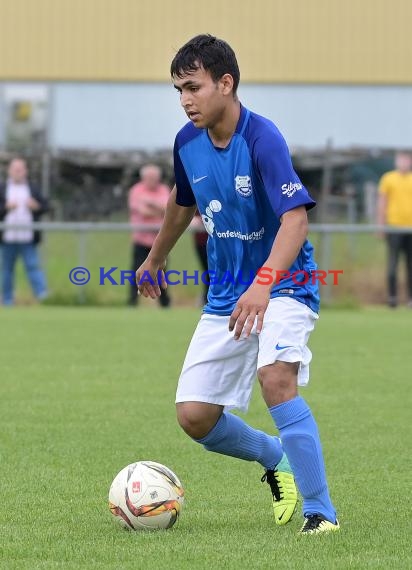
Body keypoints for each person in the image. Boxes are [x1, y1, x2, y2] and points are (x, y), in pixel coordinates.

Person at [136, 34, 338, 534]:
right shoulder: (187, 142)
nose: (185, 100)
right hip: (228, 292)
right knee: (195, 416)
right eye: (178, 89)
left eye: (193, 87)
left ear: (226, 84)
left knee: (276, 378)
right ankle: (276, 458)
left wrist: (264, 284)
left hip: (285, 284)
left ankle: (321, 512)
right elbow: (183, 202)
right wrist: (156, 257)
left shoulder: (262, 138)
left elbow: (296, 220)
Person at [0, 157, 48, 305]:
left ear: (25, 171)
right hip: (7, 239)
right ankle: (7, 300)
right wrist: (6, 208)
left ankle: (43, 297)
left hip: (28, 239)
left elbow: (46, 206)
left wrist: (36, 207)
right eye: (15, 169)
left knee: (33, 267)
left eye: (21, 169)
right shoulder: (2, 189)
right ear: (9, 171)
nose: (18, 172)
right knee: (6, 270)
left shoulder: (33, 189)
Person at [128, 164, 171, 307]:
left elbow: (170, 209)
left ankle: (165, 304)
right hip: (141, 240)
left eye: (155, 177)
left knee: (162, 274)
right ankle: (131, 303)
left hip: (160, 242)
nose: (153, 180)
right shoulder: (136, 190)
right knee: (136, 271)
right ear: (143, 177)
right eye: (150, 177)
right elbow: (142, 211)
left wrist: (151, 203)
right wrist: (160, 210)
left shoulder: (164, 189)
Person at [377, 151, 412, 308]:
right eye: (401, 159)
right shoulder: (388, 178)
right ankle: (392, 298)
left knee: (410, 265)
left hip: (410, 228)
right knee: (392, 264)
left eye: (406, 159)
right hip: (394, 227)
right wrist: (381, 225)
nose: (403, 162)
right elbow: (382, 203)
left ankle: (410, 299)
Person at [191, 210, 209, 304]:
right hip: (201, 242)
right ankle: (206, 298)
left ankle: (207, 298)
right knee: (208, 272)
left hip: (220, 242)